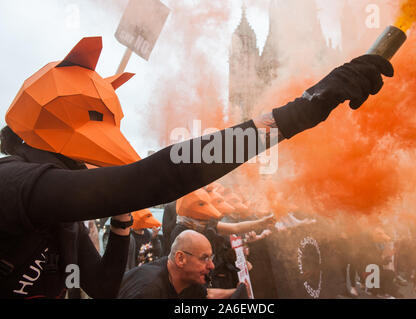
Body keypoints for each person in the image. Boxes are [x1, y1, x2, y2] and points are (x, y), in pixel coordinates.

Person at [0, 35, 394, 298]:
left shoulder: (60, 216)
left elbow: (103, 288)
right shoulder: (12, 181)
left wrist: (121, 222)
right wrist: (299, 111)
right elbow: (160, 176)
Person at [118, 230, 244, 299]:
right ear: (180, 258)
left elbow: (207, 294)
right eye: (204, 258)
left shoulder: (184, 279)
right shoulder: (148, 290)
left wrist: (238, 290)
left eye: (211, 258)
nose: (212, 266)